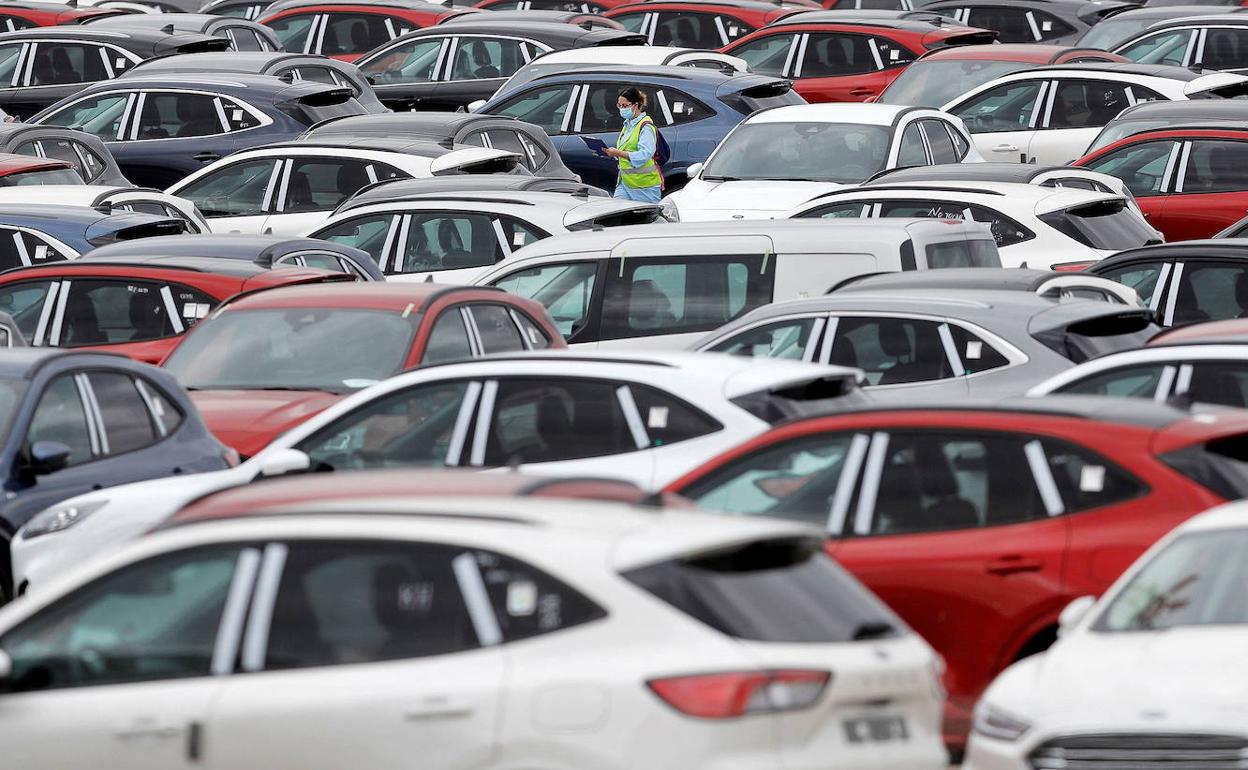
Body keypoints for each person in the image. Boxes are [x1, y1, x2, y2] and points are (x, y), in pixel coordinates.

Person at [602, 87, 662, 202]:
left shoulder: (646, 126)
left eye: (625, 106)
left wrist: (618, 153)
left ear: (636, 105)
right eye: (619, 106)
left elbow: (645, 154)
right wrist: (612, 153)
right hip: (625, 183)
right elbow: (625, 149)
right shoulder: (628, 124)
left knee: (645, 219)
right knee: (615, 214)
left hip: (645, 186)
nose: (621, 109)